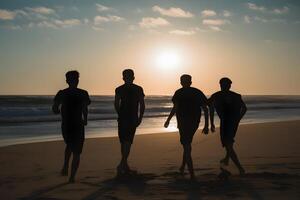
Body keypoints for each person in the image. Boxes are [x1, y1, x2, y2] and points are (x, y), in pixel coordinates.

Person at [164, 74, 209, 180]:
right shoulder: (197, 92)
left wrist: (168, 120)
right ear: (191, 82)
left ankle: (192, 174)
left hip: (183, 123)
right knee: (187, 144)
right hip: (194, 122)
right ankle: (183, 167)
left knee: (186, 145)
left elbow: (175, 108)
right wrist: (206, 125)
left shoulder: (178, 93)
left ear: (181, 82)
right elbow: (205, 109)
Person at [52, 70, 91, 183]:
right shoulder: (83, 93)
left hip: (66, 125)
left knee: (70, 145)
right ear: (78, 80)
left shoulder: (62, 93)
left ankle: (65, 166)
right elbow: (85, 108)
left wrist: (56, 110)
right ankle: (72, 177)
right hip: (78, 124)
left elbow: (55, 108)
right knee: (77, 151)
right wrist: (85, 119)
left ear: (67, 81)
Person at [208, 77, 247, 175]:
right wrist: (238, 119)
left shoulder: (216, 95)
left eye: (225, 84)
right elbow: (244, 108)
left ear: (220, 85)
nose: (225, 86)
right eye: (225, 84)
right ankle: (226, 160)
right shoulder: (236, 96)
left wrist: (211, 123)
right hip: (233, 123)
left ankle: (240, 168)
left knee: (228, 145)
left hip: (226, 122)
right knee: (229, 143)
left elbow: (210, 107)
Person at [114, 69, 145, 176]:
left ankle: (124, 165)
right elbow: (142, 104)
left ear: (123, 78)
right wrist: (140, 117)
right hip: (132, 118)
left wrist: (119, 114)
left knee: (123, 141)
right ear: (133, 77)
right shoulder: (138, 89)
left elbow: (116, 104)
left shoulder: (119, 89)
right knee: (128, 141)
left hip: (123, 118)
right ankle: (122, 164)